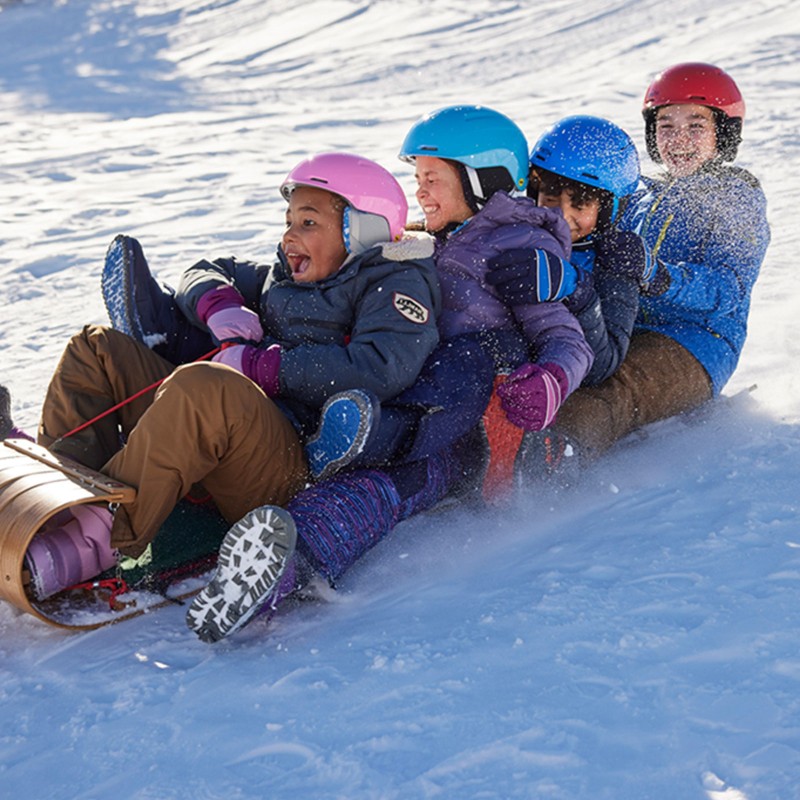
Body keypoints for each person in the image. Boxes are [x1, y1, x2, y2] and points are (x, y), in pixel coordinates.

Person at [186, 105, 596, 642]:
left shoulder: (519, 248)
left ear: (481, 179)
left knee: (384, 484)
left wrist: (551, 381)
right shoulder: (431, 236)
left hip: (462, 426)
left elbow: (567, 341)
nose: (420, 192)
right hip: (391, 389)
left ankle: (283, 567)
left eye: (432, 179)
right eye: (416, 178)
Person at [2, 152, 440, 604]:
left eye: (308, 223)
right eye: (288, 221)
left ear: (361, 230)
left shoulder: (395, 282)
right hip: (226, 431)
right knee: (96, 349)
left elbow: (381, 365)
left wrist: (264, 367)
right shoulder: (285, 274)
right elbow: (205, 269)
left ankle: (96, 542)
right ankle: (59, 499)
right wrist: (220, 304)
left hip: (283, 465)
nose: (290, 235)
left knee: (203, 387)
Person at [512, 62, 770, 482]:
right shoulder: (640, 194)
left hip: (694, 342)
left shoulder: (734, 197)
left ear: (724, 132)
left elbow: (730, 289)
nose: (679, 139)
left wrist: (658, 274)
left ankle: (552, 459)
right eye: (666, 125)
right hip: (620, 322)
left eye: (696, 125)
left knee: (616, 384)